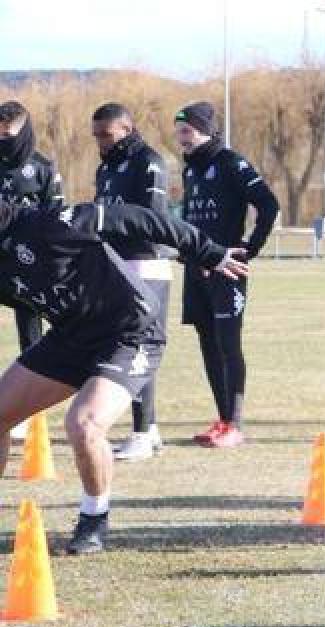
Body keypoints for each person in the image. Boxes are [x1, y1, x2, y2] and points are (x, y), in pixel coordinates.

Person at [0, 199, 247, 554]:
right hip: (70, 338)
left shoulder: (50, 224)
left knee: (83, 425)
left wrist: (207, 252)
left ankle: (93, 519)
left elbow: (142, 219)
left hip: (130, 334)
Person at [175, 102, 280, 449]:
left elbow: (268, 204)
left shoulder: (231, 162)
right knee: (207, 343)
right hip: (197, 270)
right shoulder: (190, 170)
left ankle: (235, 423)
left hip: (228, 270)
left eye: (187, 131)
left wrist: (250, 247)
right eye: (179, 132)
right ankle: (222, 420)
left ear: (205, 130)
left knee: (227, 343)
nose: (181, 138)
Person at [92, 102, 173, 461]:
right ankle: (149, 428)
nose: (101, 142)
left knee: (139, 348)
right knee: (120, 346)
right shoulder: (106, 167)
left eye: (106, 135)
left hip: (145, 264)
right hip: (116, 264)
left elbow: (151, 219)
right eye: (96, 136)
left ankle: (141, 432)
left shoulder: (149, 162)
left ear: (126, 128)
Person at [0, 101, 65, 440]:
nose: (2, 139)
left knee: (31, 334)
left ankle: (28, 410)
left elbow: (57, 217)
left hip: (27, 263)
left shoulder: (42, 167)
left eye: (8, 133)